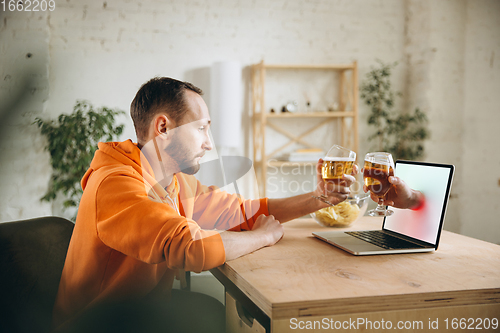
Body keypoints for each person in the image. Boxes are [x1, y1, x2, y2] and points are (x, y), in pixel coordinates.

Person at [51, 77, 358, 333]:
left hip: (140, 313)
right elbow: (191, 247)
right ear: (163, 128)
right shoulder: (115, 183)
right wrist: (263, 236)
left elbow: (240, 213)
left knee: (213, 312)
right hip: (99, 324)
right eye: (201, 128)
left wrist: (319, 198)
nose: (209, 143)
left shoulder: (175, 180)